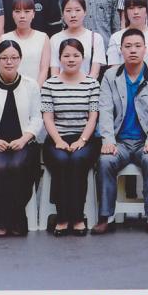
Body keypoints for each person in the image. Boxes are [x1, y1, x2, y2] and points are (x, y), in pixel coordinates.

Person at [93, 29, 148, 236]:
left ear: (145, 49)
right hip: (120, 142)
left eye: (137, 46)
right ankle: (105, 217)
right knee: (105, 161)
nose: (133, 50)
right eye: (128, 46)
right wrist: (108, 140)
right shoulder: (110, 76)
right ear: (121, 50)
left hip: (147, 141)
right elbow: (105, 110)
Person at [0, 40, 44, 236]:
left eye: (14, 57)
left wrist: (24, 139)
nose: (9, 62)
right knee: (0, 167)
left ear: (20, 59)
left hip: (24, 143)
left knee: (17, 167)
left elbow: (37, 118)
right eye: (4, 58)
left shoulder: (31, 85)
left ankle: (16, 219)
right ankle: (1, 220)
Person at [40, 38, 101, 237]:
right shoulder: (50, 84)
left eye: (76, 55)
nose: (71, 59)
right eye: (66, 55)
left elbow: (93, 117)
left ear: (83, 58)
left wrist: (81, 140)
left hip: (85, 138)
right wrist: (58, 140)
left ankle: (77, 217)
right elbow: (48, 118)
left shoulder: (92, 84)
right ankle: (62, 217)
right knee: (61, 160)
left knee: (77, 159)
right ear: (59, 58)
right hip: (57, 136)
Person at [106, 0, 148, 71]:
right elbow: (114, 71)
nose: (136, 12)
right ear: (126, 12)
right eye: (131, 8)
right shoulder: (116, 37)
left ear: (147, 11)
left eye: (140, 7)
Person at [49, 0, 106, 79]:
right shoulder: (55, 39)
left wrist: (82, 86)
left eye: (77, 10)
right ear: (62, 14)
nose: (73, 15)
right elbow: (54, 72)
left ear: (85, 12)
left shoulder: (95, 38)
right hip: (60, 86)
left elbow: (95, 73)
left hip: (88, 86)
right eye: (68, 11)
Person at [0, 0, 50, 86]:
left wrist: (35, 90)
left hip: (36, 89)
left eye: (27, 11)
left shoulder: (43, 38)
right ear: (12, 14)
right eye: (17, 11)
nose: (22, 16)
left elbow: (44, 70)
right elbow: (2, 69)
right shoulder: (4, 39)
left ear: (33, 14)